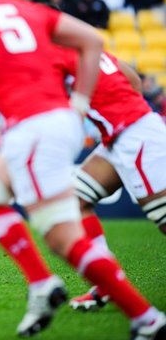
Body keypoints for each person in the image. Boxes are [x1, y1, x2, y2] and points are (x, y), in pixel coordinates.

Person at [0, 0, 166, 339]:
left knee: (62, 237)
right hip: (77, 126)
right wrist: (82, 103)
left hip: (51, 128)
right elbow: (104, 51)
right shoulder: (27, 8)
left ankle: (147, 319)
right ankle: (42, 283)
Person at [53, 48, 166, 312]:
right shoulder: (88, 49)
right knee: (75, 199)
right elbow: (134, 82)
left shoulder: (51, 58)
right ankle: (106, 281)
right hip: (124, 133)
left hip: (135, 137)